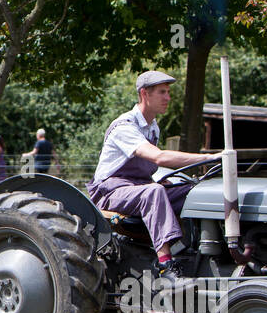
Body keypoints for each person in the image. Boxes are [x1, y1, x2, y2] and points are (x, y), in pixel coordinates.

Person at [87, 71, 220, 282]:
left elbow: (147, 172)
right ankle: (166, 265)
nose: (168, 98)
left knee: (192, 189)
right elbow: (158, 157)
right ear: (144, 94)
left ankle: (197, 251)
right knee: (154, 192)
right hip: (109, 192)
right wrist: (210, 158)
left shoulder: (152, 127)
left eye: (168, 92)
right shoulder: (125, 126)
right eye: (162, 92)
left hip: (136, 188)